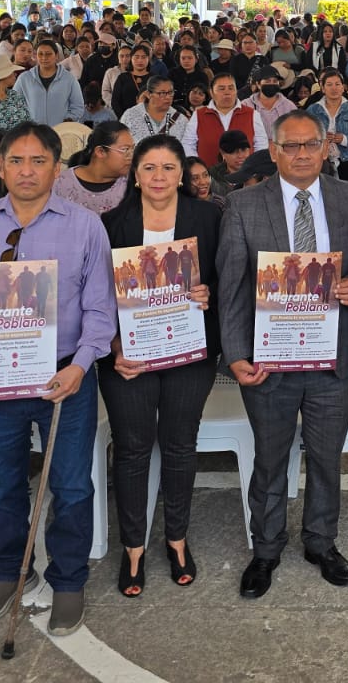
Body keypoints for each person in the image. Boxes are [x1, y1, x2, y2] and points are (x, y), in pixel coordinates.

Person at [0, 123, 117, 637]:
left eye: (39, 161)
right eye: (17, 160)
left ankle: (68, 578)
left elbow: (101, 308)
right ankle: (10, 570)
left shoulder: (85, 227)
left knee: (73, 486)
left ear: (57, 168)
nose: (27, 171)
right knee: (1, 486)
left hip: (65, 376)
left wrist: (80, 365)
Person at [216, 110, 348, 599]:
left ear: (326, 148)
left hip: (333, 355)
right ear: (274, 148)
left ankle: (320, 542)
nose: (302, 154)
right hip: (269, 360)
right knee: (269, 459)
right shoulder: (243, 205)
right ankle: (265, 549)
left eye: (311, 145)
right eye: (291, 146)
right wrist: (235, 353)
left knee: (327, 459)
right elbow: (231, 287)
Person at [100, 134, 222, 596]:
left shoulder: (208, 218)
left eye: (168, 168)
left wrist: (206, 292)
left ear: (182, 174)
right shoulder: (111, 224)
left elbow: (224, 277)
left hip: (189, 351)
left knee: (179, 444)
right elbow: (95, 295)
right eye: (148, 168)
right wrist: (113, 346)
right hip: (127, 357)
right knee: (131, 448)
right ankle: (133, 547)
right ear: (134, 175)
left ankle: (176, 539)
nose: (158, 177)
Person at [182, 72, 268, 167]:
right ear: (211, 92)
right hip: (209, 175)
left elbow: (261, 145)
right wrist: (198, 167)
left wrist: (253, 169)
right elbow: (188, 144)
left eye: (231, 88)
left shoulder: (252, 114)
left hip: (245, 175)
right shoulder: (199, 115)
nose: (227, 92)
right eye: (221, 89)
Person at [53, 122, 132, 215]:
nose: (131, 156)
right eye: (125, 149)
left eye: (132, 149)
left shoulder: (132, 184)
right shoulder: (60, 184)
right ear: (100, 152)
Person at [307, 69, 348, 184]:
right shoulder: (313, 110)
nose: (334, 88)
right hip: (320, 160)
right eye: (329, 84)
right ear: (323, 88)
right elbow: (303, 135)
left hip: (347, 159)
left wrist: (344, 139)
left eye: (337, 84)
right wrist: (320, 138)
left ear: (343, 87)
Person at [15, 39, 86, 126]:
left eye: (48, 54)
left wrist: (68, 120)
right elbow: (15, 105)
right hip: (33, 133)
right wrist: (27, 124)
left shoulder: (69, 79)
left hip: (60, 133)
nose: (44, 58)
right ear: (36, 56)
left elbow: (78, 106)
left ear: (56, 56)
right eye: (40, 54)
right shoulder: (24, 78)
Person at [122, 78, 184, 142]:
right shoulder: (130, 116)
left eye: (170, 92)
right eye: (162, 93)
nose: (168, 97)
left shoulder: (181, 119)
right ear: (149, 94)